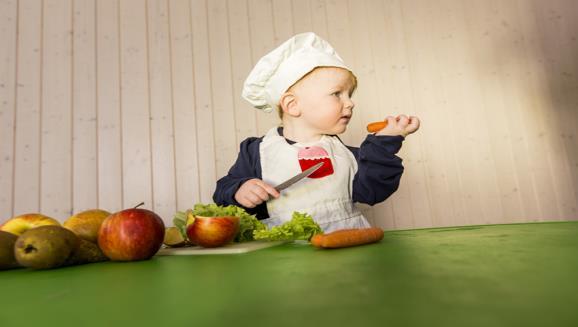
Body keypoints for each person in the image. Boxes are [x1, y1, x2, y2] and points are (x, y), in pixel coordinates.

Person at [213, 32, 420, 232]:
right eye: (337, 93)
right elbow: (223, 190)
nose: (350, 103)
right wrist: (239, 190)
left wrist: (385, 142)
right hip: (284, 256)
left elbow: (373, 191)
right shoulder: (255, 152)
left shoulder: (349, 155)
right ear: (293, 105)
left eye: (349, 94)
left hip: (346, 250)